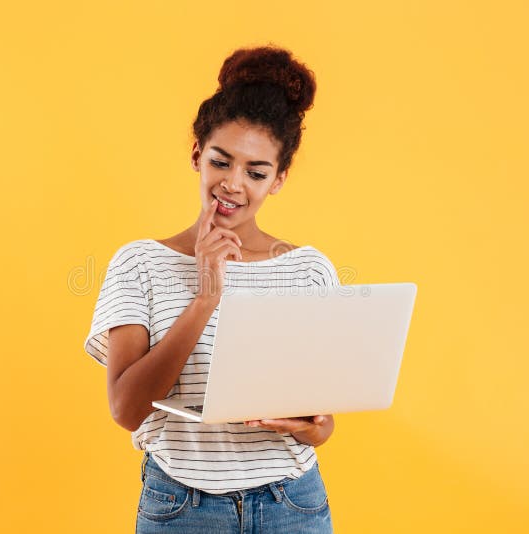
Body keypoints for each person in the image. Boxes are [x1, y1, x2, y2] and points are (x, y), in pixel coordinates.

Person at [85, 45, 341, 533]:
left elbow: (322, 426)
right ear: (197, 155)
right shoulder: (139, 263)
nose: (233, 184)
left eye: (256, 172)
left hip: (293, 506)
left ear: (279, 180)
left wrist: (310, 425)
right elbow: (126, 410)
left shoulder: (309, 270)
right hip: (183, 508)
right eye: (221, 162)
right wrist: (205, 296)